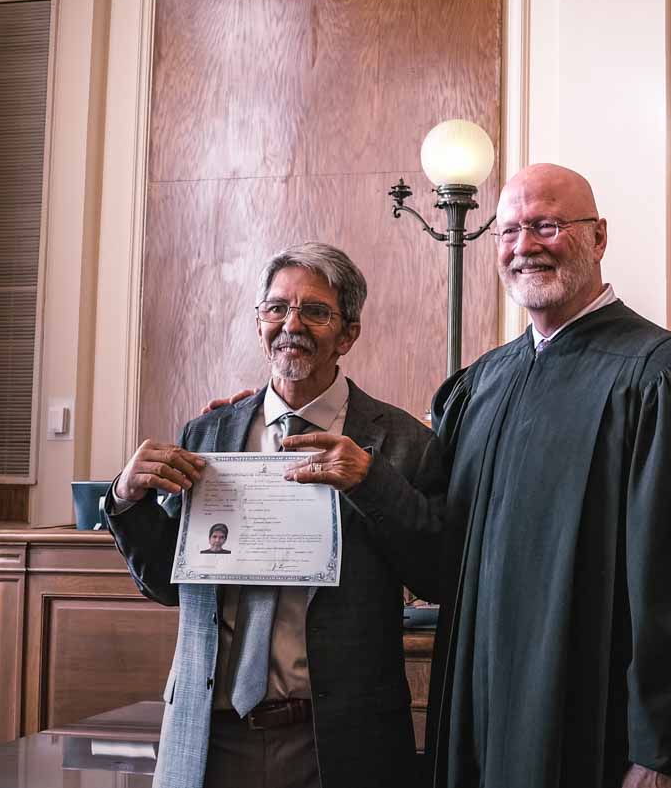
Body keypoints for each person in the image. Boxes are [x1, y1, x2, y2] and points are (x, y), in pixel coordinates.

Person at [427, 164, 671, 788]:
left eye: (547, 226)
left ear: (599, 237)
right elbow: (433, 534)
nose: (524, 247)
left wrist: (665, 746)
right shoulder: (483, 384)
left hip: (605, 732)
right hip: (487, 717)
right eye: (508, 232)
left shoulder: (667, 378)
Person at [105, 243, 444, 788]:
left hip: (338, 741)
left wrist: (370, 480)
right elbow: (169, 584)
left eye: (315, 311)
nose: (293, 324)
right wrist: (125, 498)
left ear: (348, 334)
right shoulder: (208, 434)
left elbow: (436, 573)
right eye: (277, 308)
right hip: (208, 736)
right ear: (259, 322)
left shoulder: (403, 443)